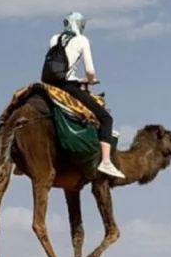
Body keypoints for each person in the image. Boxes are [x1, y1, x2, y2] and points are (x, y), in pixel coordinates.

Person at [42, 12, 124, 179]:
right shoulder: (81, 40)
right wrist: (90, 80)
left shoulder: (54, 39)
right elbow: (90, 71)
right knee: (106, 118)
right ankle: (106, 162)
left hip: (49, 85)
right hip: (68, 86)